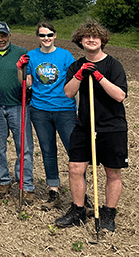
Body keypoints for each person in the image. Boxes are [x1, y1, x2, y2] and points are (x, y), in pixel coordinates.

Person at [55, 20, 128, 233]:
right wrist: (80, 75)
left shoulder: (114, 65)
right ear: (81, 41)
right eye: (86, 37)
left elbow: (120, 95)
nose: (91, 40)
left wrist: (98, 76)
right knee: (75, 168)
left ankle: (108, 214)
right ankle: (78, 211)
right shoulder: (76, 66)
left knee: (112, 172)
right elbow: (68, 93)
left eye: (95, 37)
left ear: (102, 40)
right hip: (84, 125)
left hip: (112, 126)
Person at [25, 21, 76, 206]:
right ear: (37, 37)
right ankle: (53, 189)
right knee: (48, 150)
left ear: (55, 36)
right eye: (42, 35)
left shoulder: (65, 55)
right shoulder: (31, 56)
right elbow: (28, 83)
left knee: (74, 150)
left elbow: (74, 79)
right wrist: (20, 69)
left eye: (49, 35)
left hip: (65, 109)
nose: (46, 38)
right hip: (39, 110)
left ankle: (79, 191)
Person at [0, 22, 34, 201]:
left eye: (3, 35)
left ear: (9, 36)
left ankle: (25, 185)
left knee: (24, 147)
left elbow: (29, 79)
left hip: (18, 106)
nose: (0, 39)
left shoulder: (21, 52)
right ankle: (3, 180)